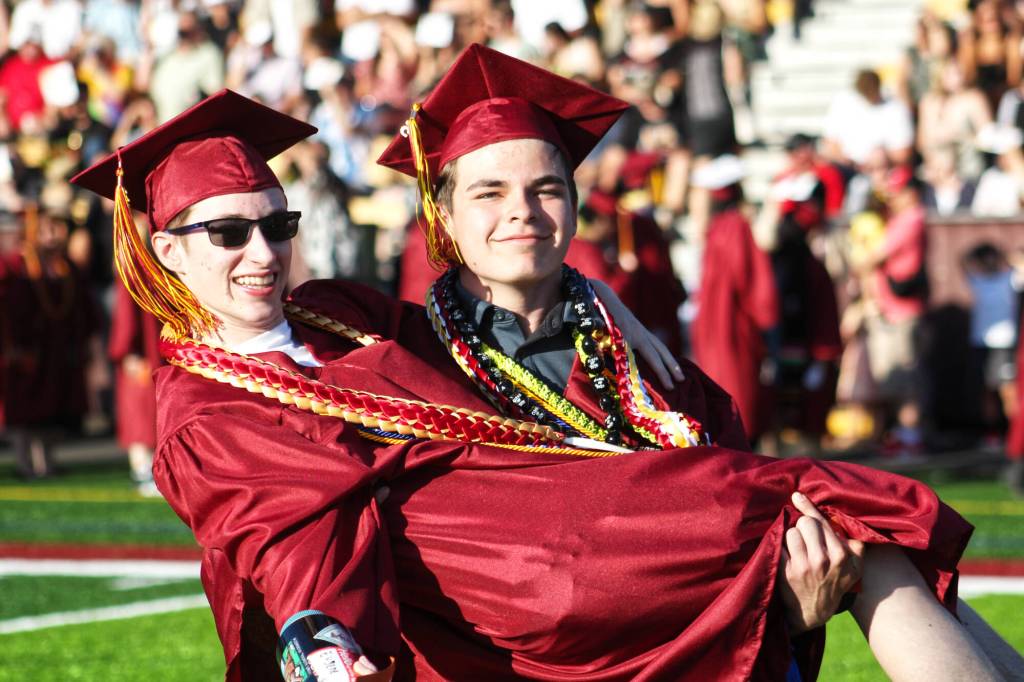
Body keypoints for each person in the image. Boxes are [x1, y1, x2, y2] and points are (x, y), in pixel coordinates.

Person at [71, 84, 1016, 681]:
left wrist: (607, 299)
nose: (261, 252)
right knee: (865, 509)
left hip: (620, 592)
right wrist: (320, 641)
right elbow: (289, 523)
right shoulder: (223, 397)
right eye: (226, 233)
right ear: (440, 214)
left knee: (866, 532)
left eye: (275, 226)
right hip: (522, 592)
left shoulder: (347, 314)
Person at [687, 154, 779, 444]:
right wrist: (767, 320)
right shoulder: (737, 227)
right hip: (734, 326)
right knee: (740, 392)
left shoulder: (715, 230)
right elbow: (754, 282)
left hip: (713, 325)